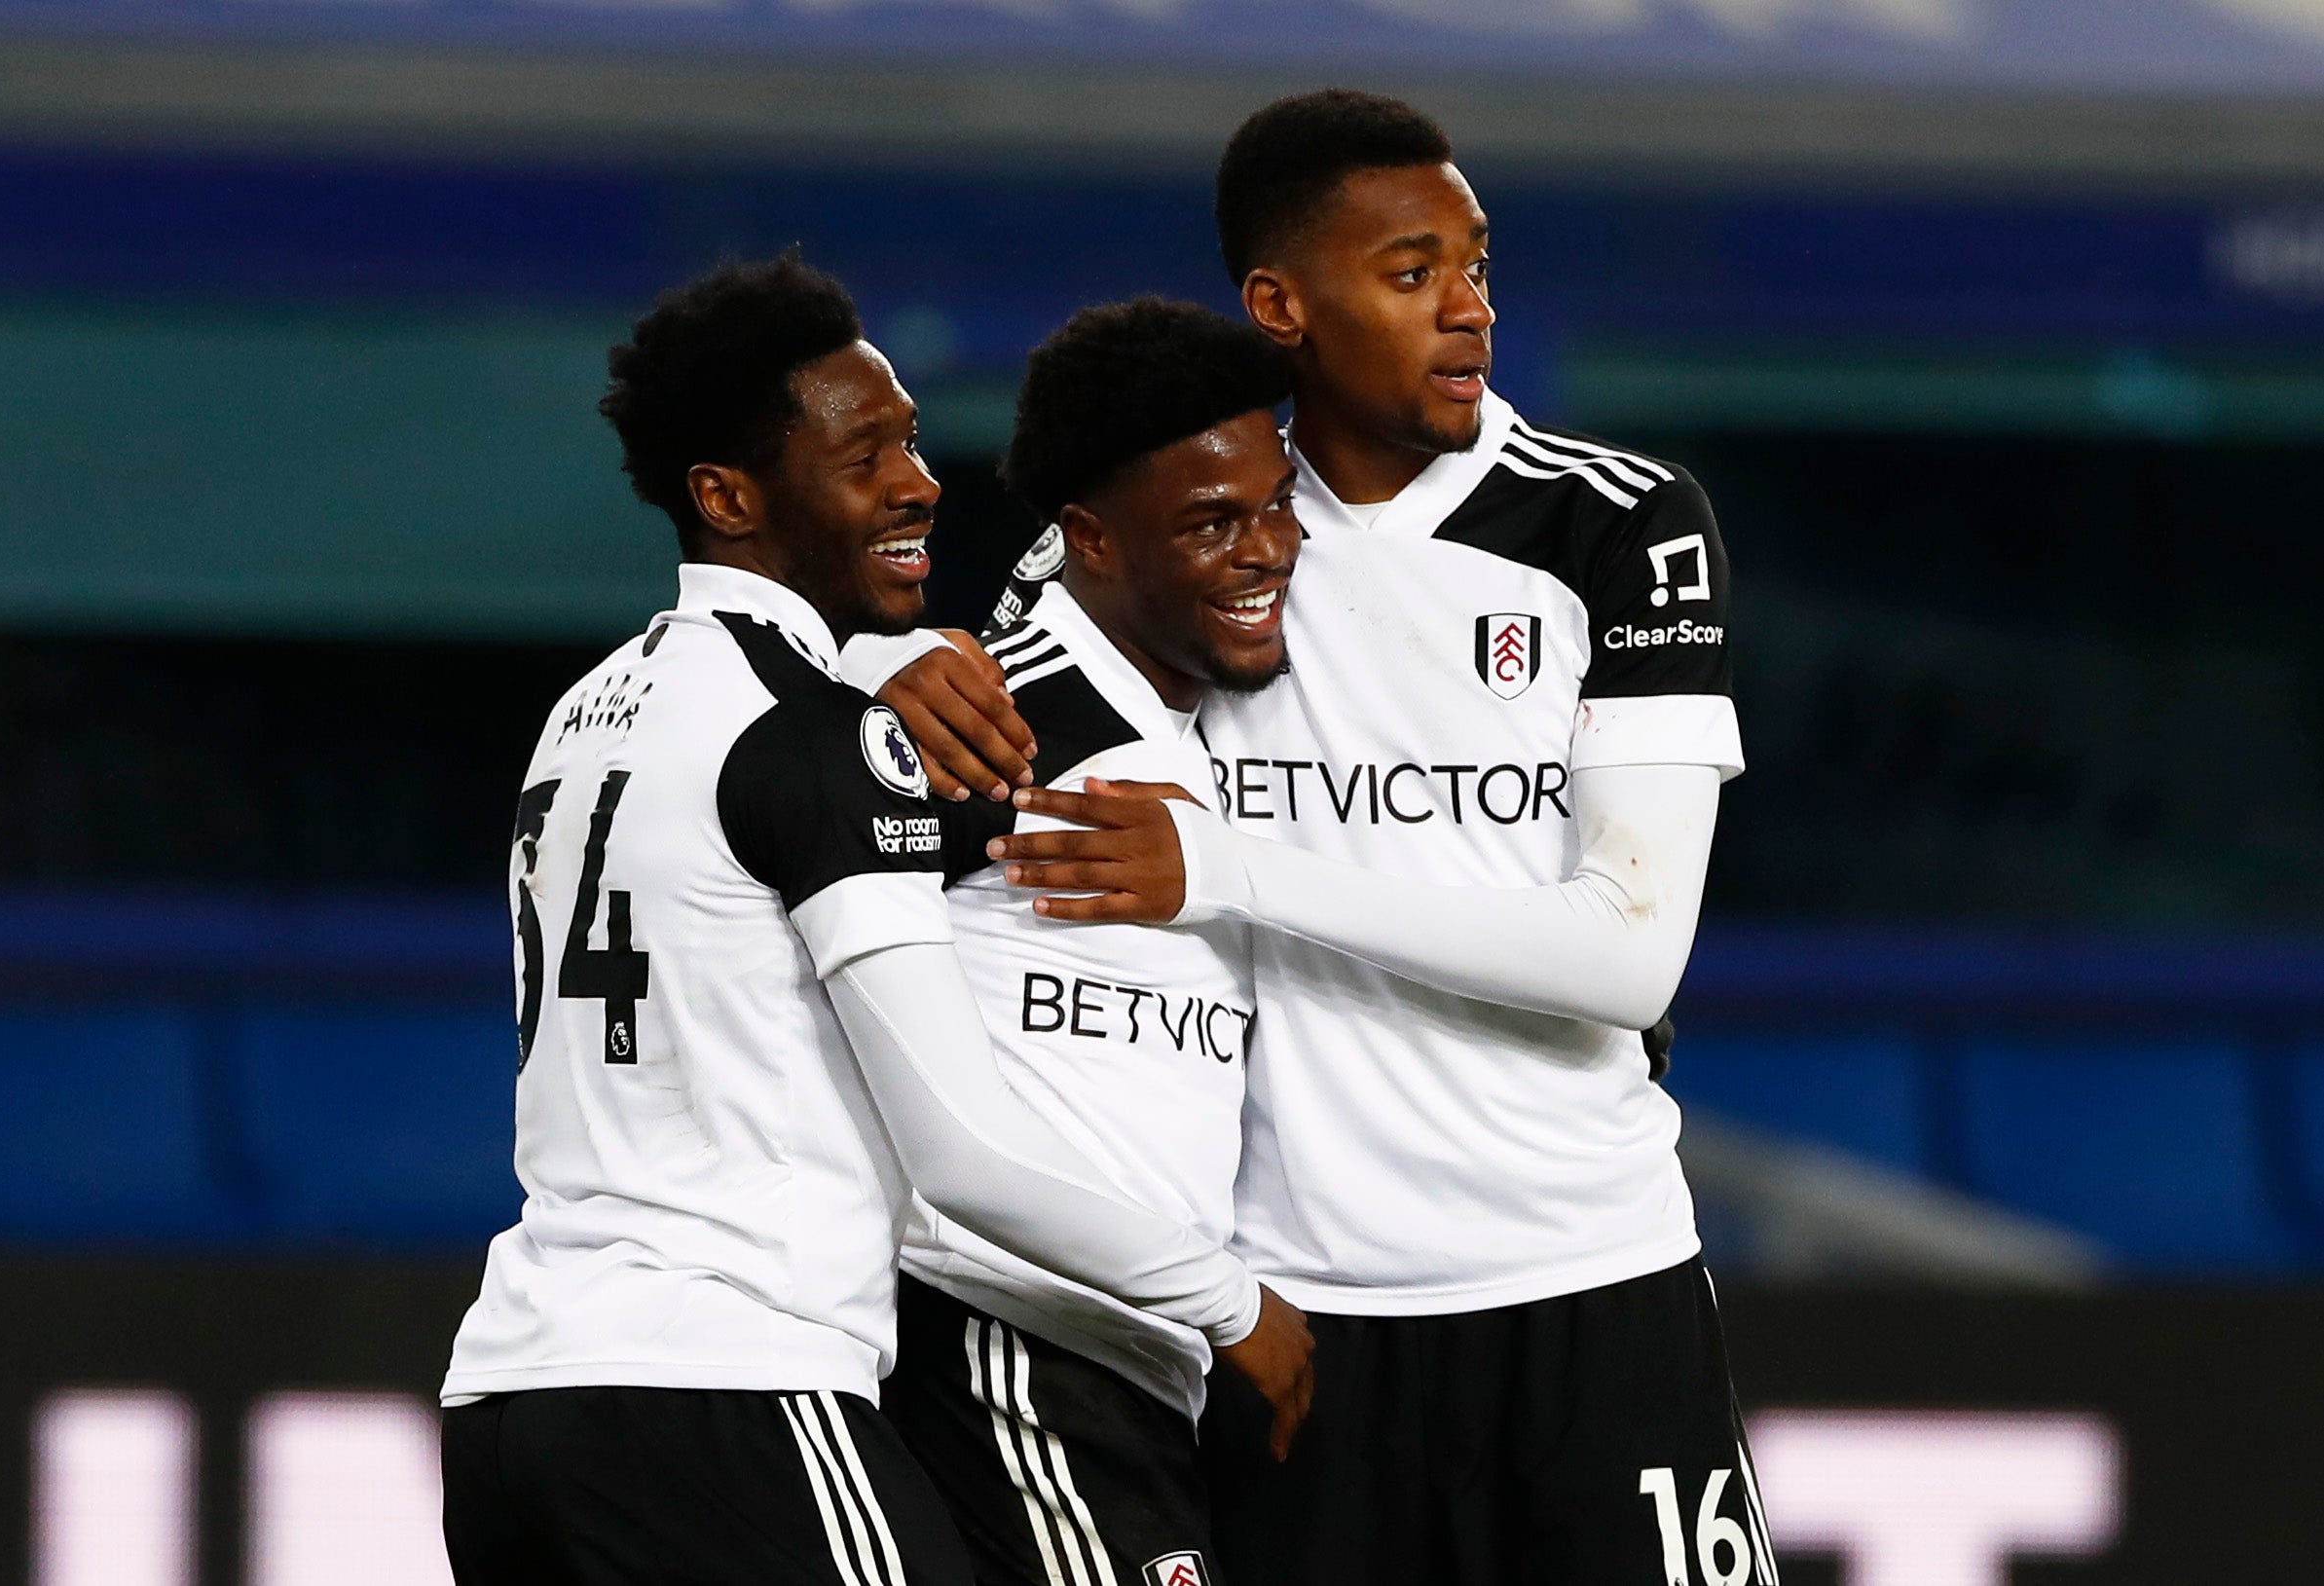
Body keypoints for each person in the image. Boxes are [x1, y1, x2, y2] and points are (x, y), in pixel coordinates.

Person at [864, 93, 1775, 1585]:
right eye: (1411, 274)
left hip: (1591, 1286)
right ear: (1281, 305)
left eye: (1475, 266)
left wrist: (1233, 872)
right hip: (1304, 1330)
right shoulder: (1206, 526)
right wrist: (870, 667)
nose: (1467, 308)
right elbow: (994, 665)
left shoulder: (1617, 527)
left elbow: (1627, 954)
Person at [437, 252, 1311, 1586]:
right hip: (732, 1376)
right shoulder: (834, 742)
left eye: (909, 442)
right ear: (729, 496)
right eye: (867, 458)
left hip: (515, 1399)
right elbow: (961, 1153)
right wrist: (1233, 1307)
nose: (918, 484)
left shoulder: (585, 714)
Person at [880, 297, 1309, 1586]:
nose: (1266, 551)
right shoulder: (994, 727)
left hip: (1130, 1367)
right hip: (1012, 1339)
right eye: (1209, 524)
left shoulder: (1212, 738)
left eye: (1276, 506)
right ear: (1090, 542)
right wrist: (854, 674)